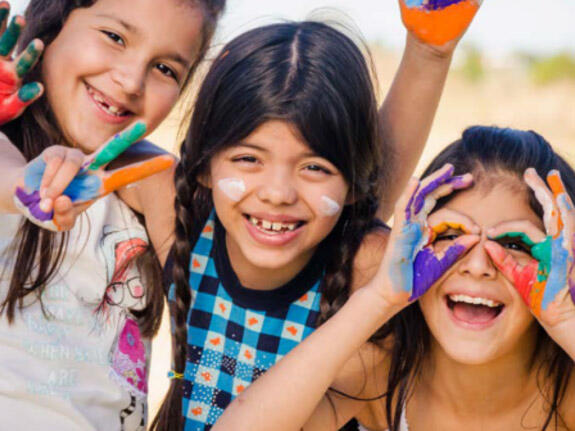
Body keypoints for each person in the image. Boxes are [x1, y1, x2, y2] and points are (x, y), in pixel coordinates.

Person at [146, 3, 480, 428]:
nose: (278, 194)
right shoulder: (175, 208)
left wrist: (429, 51)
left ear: (352, 184)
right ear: (204, 165)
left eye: (315, 168)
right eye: (249, 158)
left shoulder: (373, 276)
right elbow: (79, 149)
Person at [213, 126, 575, 431]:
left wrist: (564, 317)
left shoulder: (566, 394)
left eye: (514, 243)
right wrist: (379, 298)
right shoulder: (382, 373)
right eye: (449, 235)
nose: (478, 265)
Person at [0, 0, 225, 429]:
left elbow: (325, 233)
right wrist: (22, 187)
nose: (130, 81)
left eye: (165, 69)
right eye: (115, 37)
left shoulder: (155, 186)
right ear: (54, 20)